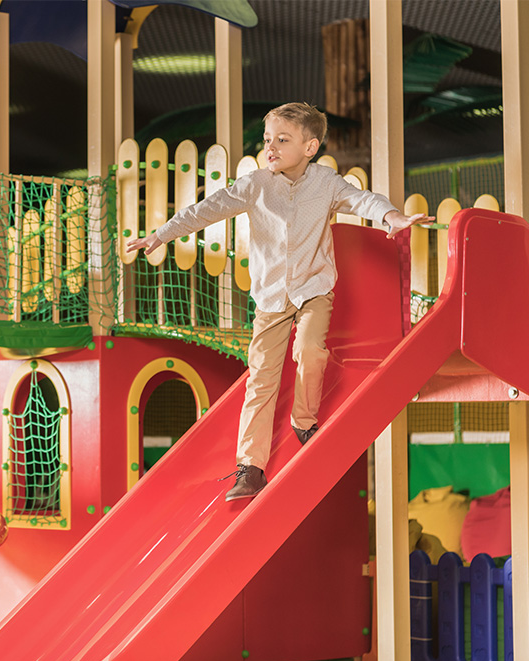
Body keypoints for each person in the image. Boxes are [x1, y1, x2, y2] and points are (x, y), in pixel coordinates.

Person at [126, 103, 433, 501]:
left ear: (310, 147)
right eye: (268, 139)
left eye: (282, 140)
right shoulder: (256, 184)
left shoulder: (325, 182)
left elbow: (362, 200)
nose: (270, 147)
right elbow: (207, 209)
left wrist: (391, 217)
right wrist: (162, 234)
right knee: (261, 377)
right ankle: (250, 468)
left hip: (313, 290)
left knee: (310, 349)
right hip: (270, 297)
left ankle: (304, 420)